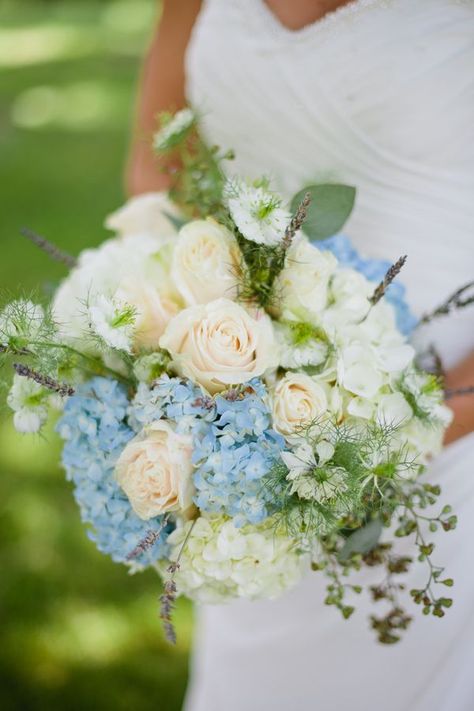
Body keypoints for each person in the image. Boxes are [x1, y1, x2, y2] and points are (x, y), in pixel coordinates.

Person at [128, 2, 474, 709]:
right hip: (244, 437)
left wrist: (394, 441)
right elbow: (154, 167)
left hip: (453, 452)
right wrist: (194, 342)